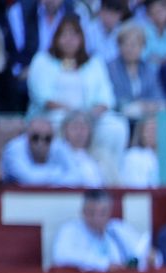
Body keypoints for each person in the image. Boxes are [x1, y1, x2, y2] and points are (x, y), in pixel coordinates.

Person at [26, 15, 128, 163]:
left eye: (74, 34)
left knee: (116, 126)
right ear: (56, 37)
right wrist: (74, 114)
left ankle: (107, 171)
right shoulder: (42, 60)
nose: (69, 39)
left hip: (89, 116)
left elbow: (106, 98)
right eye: (64, 34)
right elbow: (42, 97)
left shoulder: (94, 63)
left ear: (82, 39)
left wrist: (88, 116)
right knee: (59, 120)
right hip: (55, 115)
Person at [51, 188, 150, 271]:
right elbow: (61, 255)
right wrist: (104, 264)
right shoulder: (70, 230)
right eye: (91, 213)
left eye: (102, 213)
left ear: (110, 212)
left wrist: (151, 257)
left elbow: (140, 251)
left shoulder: (118, 229)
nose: (96, 218)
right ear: (83, 211)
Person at [108, 20, 164, 120]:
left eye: (134, 45)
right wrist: (137, 106)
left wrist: (143, 105)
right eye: (126, 44)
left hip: (146, 115)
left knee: (164, 116)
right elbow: (115, 99)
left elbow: (158, 97)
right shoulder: (110, 68)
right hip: (119, 116)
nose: (129, 49)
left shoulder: (149, 69)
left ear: (143, 47)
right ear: (119, 46)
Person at [1, 113, 74, 183]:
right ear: (26, 136)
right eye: (35, 137)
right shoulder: (13, 148)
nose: (41, 142)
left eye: (47, 138)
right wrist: (58, 172)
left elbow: (75, 177)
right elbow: (29, 179)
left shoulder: (59, 145)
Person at [60, 108, 106, 185]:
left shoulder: (100, 156)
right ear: (65, 131)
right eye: (74, 127)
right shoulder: (58, 155)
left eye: (83, 128)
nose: (79, 133)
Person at [118, 112, 162, 186]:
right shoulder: (133, 156)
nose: (152, 134)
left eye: (155, 130)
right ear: (141, 133)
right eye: (148, 130)